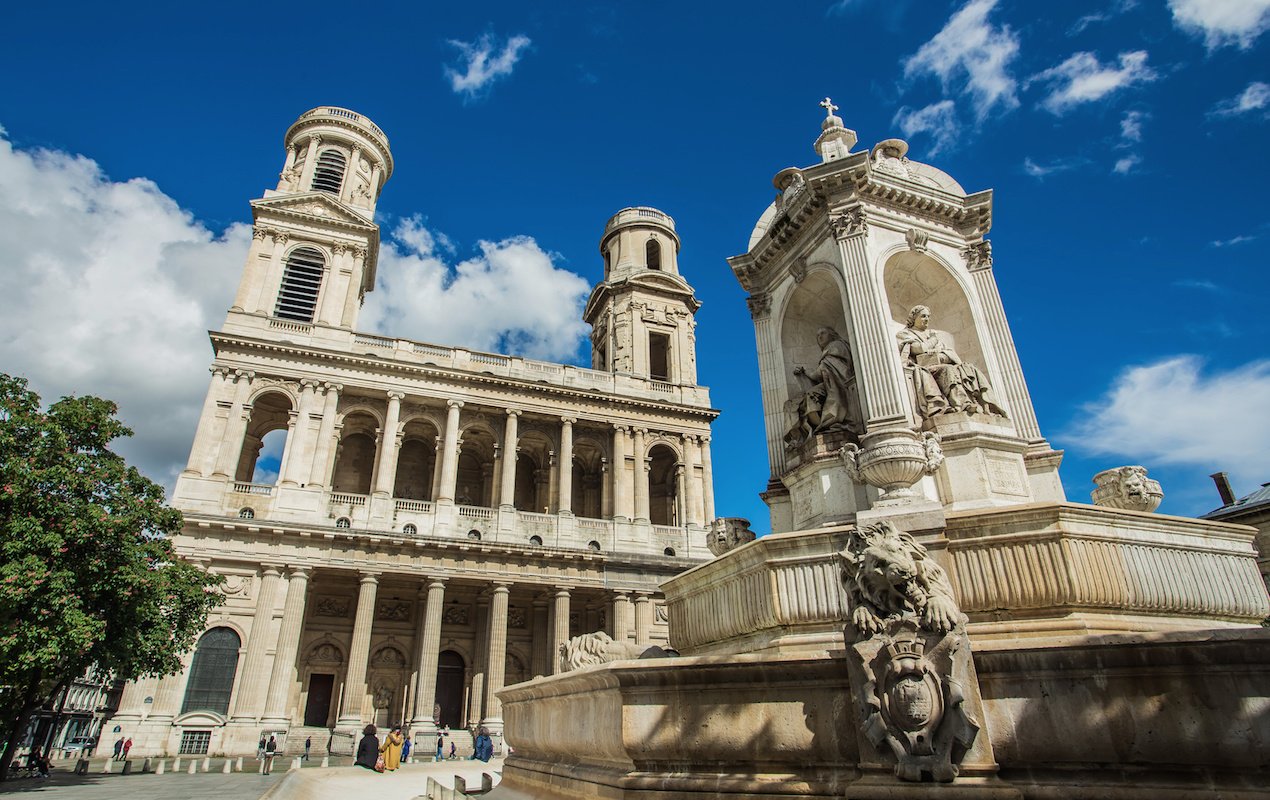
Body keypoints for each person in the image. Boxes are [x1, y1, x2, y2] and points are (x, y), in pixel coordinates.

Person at [896, 305, 1006, 422]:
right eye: (923, 316)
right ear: (913, 318)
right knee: (948, 370)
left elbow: (947, 351)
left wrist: (941, 353)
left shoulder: (931, 335)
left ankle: (985, 405)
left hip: (940, 364)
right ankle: (963, 404)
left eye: (928, 316)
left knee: (969, 369)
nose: (927, 319)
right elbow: (919, 349)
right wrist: (933, 341)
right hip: (925, 367)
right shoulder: (905, 334)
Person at [784, 326, 863, 449]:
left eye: (823, 333)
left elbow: (823, 371)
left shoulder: (836, 346)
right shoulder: (828, 352)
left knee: (811, 395)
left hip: (840, 384)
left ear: (832, 334)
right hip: (831, 384)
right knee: (793, 404)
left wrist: (806, 372)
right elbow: (821, 372)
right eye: (817, 335)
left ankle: (829, 423)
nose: (819, 337)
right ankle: (813, 430)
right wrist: (805, 373)